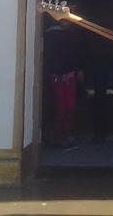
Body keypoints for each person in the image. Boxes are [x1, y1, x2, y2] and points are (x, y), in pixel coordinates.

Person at [43, 18, 82, 150]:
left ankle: (67, 134)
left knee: (70, 107)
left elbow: (76, 55)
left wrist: (79, 70)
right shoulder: (50, 35)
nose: (68, 22)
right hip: (57, 76)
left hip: (70, 75)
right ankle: (58, 136)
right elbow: (49, 57)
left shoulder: (72, 34)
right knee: (60, 108)